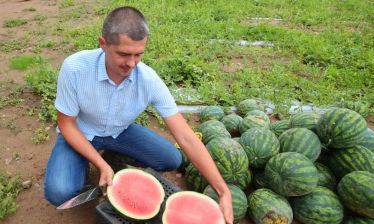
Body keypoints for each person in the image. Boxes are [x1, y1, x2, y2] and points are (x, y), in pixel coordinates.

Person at [43, 6, 233, 223]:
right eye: (123, 54)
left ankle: (114, 158)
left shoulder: (148, 80)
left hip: (119, 133)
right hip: (80, 133)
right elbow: (66, 125)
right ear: (103, 43)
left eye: (138, 54)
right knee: (60, 191)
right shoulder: (75, 68)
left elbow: (187, 137)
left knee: (171, 158)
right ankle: (89, 162)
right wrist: (100, 165)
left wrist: (223, 191)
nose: (131, 64)